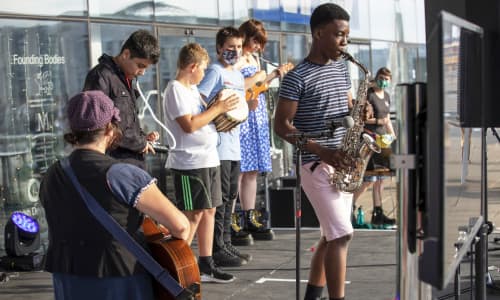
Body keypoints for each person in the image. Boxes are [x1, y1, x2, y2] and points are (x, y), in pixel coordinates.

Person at [40, 90, 190, 300]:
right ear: (110, 129)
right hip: (119, 278)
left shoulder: (52, 174)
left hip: (67, 278)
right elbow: (181, 226)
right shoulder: (122, 174)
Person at [274, 3, 358, 300]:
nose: (344, 42)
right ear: (319, 33)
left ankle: (312, 296)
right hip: (314, 164)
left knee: (331, 235)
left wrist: (361, 116)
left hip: (342, 163)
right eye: (339, 35)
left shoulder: (342, 67)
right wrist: (320, 150)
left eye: (346, 36)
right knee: (343, 235)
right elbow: (282, 126)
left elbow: (348, 107)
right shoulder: (296, 77)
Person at [163, 43, 240, 282]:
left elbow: (203, 119)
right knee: (192, 214)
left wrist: (223, 111)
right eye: (203, 69)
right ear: (193, 66)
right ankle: (173, 267)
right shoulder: (175, 89)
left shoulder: (193, 90)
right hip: (189, 162)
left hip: (208, 158)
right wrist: (218, 108)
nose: (205, 73)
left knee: (209, 211)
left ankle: (206, 264)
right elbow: (189, 125)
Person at [197, 27, 252, 267]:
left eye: (239, 47)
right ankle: (217, 247)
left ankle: (226, 242)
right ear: (219, 48)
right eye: (230, 47)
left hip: (234, 145)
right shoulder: (215, 71)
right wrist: (215, 113)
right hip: (218, 146)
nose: (235, 51)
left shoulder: (238, 76)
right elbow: (199, 98)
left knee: (230, 196)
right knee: (219, 199)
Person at [234, 19, 291, 242]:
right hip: (242, 115)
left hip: (256, 114)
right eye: (255, 41)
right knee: (239, 169)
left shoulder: (254, 58)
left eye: (260, 43)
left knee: (253, 170)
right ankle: (234, 218)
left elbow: (258, 86)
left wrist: (272, 76)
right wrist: (265, 77)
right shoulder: (237, 58)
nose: (257, 46)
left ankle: (249, 215)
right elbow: (241, 85)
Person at [83, 29, 161, 169]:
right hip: (113, 165)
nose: (142, 73)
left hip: (130, 163)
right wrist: (139, 143)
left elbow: (126, 121)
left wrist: (143, 137)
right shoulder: (101, 77)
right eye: (140, 66)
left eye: (146, 68)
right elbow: (100, 126)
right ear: (126, 54)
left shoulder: (126, 78)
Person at [352, 67, 397, 227]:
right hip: (369, 139)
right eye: (381, 78)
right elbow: (359, 118)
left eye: (386, 79)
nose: (384, 81)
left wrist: (393, 136)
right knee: (368, 179)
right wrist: (379, 122)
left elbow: (387, 119)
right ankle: (351, 205)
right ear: (377, 77)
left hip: (382, 140)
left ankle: (378, 212)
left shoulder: (386, 96)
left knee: (381, 178)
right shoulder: (368, 94)